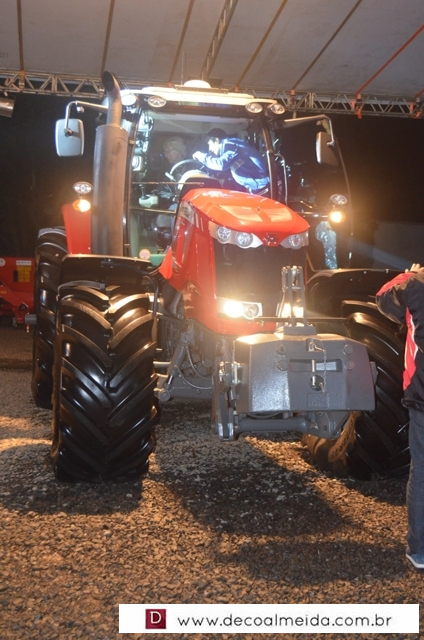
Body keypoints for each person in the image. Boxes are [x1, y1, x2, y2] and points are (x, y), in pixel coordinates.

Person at [376, 262, 424, 570]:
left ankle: (419, 551)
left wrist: (409, 274)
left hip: (422, 395)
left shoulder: (416, 285)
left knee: (422, 472)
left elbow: (383, 300)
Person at [192, 128, 269, 194]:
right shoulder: (230, 148)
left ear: (217, 140)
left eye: (210, 144)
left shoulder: (230, 144)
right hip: (256, 188)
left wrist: (200, 156)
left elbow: (221, 165)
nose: (209, 149)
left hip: (262, 188)